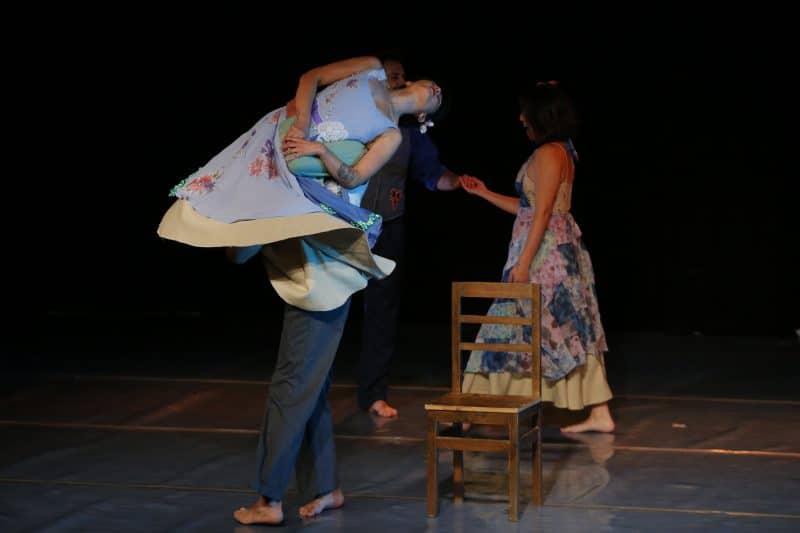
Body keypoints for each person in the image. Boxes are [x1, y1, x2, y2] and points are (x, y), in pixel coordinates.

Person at [157, 55, 443, 525]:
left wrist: (317, 150)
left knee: (292, 386)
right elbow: (311, 78)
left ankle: (269, 500)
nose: (435, 91)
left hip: (325, 259)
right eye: (433, 85)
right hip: (298, 196)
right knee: (309, 385)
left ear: (426, 114)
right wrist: (302, 127)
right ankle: (326, 487)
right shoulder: (370, 70)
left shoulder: (391, 135)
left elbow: (352, 176)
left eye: (438, 98)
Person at [459, 81, 615, 434]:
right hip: (557, 250)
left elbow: (543, 212)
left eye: (525, 112)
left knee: (510, 324)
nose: (521, 118)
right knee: (568, 328)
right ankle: (600, 410)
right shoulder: (563, 151)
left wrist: (524, 262)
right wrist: (484, 193)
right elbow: (530, 208)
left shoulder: (549, 153)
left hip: (546, 256)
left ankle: (472, 407)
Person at [356, 57, 461, 418]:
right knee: (331, 306)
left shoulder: (412, 131)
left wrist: (456, 182)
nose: (399, 80)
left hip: (389, 224)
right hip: (348, 221)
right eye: (391, 75)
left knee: (382, 311)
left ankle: (374, 393)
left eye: (402, 75)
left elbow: (431, 171)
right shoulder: (359, 117)